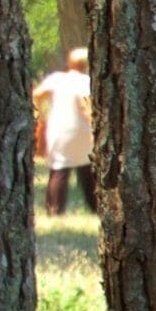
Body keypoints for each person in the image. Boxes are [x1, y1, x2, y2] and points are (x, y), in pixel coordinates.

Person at [33, 47, 96, 214]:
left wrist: (40, 115)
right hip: (83, 131)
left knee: (59, 170)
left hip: (58, 129)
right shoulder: (88, 81)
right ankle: (96, 206)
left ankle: (54, 209)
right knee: (88, 171)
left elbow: (37, 95)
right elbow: (87, 106)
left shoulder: (57, 79)